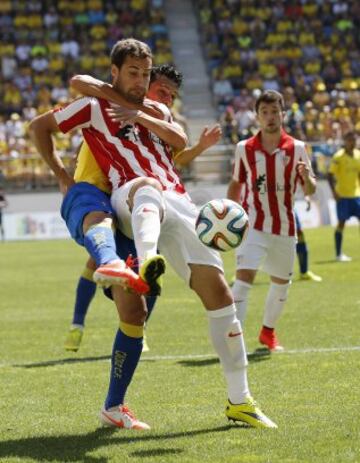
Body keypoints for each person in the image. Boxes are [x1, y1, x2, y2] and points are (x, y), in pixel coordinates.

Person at [31, 38, 276, 430]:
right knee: (145, 185)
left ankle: (239, 400)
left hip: (178, 201)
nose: (142, 80)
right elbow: (40, 125)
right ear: (114, 72)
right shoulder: (94, 106)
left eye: (146, 73)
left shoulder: (157, 108)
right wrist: (62, 175)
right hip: (128, 193)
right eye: (133, 72)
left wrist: (138, 112)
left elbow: (178, 140)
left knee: (220, 295)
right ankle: (147, 264)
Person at [64, 65, 221, 352]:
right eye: (163, 92)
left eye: (172, 96)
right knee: (99, 260)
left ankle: (137, 328)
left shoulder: (157, 123)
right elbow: (80, 85)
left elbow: (174, 160)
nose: (168, 100)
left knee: (147, 268)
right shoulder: (110, 111)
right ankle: (77, 325)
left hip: (137, 198)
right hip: (102, 194)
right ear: (143, 87)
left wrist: (200, 147)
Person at [228, 90, 316, 351]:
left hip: (285, 228)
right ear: (257, 116)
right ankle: (234, 338)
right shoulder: (244, 149)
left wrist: (308, 178)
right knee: (243, 280)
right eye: (264, 113)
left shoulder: (297, 148)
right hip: (253, 225)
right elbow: (236, 184)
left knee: (281, 285)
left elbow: (310, 190)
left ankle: (267, 333)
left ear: (283, 114)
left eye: (274, 112)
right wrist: (230, 217)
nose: (270, 117)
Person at [328, 130, 360, 262]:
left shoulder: (358, 155)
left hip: (356, 195)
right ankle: (338, 254)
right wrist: (334, 192)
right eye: (350, 140)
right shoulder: (338, 157)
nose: (352, 143)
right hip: (343, 196)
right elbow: (330, 175)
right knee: (341, 224)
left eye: (355, 140)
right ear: (345, 141)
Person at [295, 206, 322, 282]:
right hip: (284, 207)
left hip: (287, 206)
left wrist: (306, 196)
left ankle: (304, 272)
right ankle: (304, 272)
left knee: (299, 235)